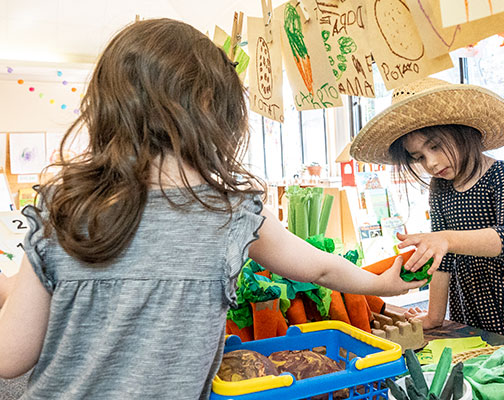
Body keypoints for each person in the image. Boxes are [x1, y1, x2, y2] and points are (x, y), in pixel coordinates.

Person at [0, 19, 425, 399]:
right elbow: (320, 269)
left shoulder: (64, 211)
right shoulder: (231, 214)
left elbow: (10, 357)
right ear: (214, 111)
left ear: (108, 111)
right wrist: (382, 284)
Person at [350, 77, 504, 350]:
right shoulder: (439, 188)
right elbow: (442, 261)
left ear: (462, 132)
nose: (430, 163)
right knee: (483, 358)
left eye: (434, 146)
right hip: (471, 293)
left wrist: (446, 239)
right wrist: (434, 316)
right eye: (419, 157)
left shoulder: (502, 173)